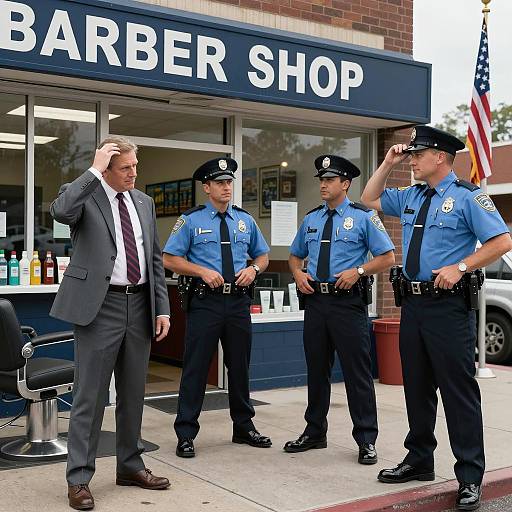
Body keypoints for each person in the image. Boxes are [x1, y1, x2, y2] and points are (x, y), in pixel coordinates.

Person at [361, 125, 512, 511]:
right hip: (412, 306)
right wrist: (387, 161)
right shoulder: (411, 195)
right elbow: (368, 197)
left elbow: (502, 240)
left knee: (458, 393)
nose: (411, 159)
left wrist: (461, 266)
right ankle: (419, 459)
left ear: (440, 157)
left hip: (447, 306)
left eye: (417, 154)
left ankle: (469, 477)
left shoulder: (467, 196)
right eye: (410, 154)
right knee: (417, 386)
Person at [50, 137, 171, 511]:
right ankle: (79, 479)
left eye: (135, 166)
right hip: (99, 307)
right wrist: (92, 170)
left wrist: (161, 308)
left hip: (139, 305)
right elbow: (61, 212)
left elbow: (153, 258)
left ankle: (130, 466)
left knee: (134, 393)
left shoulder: (144, 203)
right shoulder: (83, 194)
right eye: (125, 168)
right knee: (90, 396)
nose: (134, 174)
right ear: (105, 168)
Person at [284, 155, 395, 464]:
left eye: (330, 180)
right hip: (316, 303)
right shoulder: (312, 218)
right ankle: (315, 431)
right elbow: (295, 256)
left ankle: (366, 439)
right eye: (321, 179)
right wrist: (297, 274)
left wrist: (358, 271)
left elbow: (387, 257)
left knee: (356, 373)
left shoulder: (362, 217)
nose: (323, 184)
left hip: (347, 304)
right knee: (316, 370)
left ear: (345, 184)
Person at [163, 157, 271, 458]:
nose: (226, 187)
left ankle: (244, 427)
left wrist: (254, 270)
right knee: (196, 368)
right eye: (220, 183)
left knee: (239, 366)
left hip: (238, 301)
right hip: (206, 302)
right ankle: (185, 433)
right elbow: (169, 258)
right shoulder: (191, 220)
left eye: (229, 182)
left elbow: (262, 255)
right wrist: (200, 271)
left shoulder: (244, 220)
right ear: (207, 187)